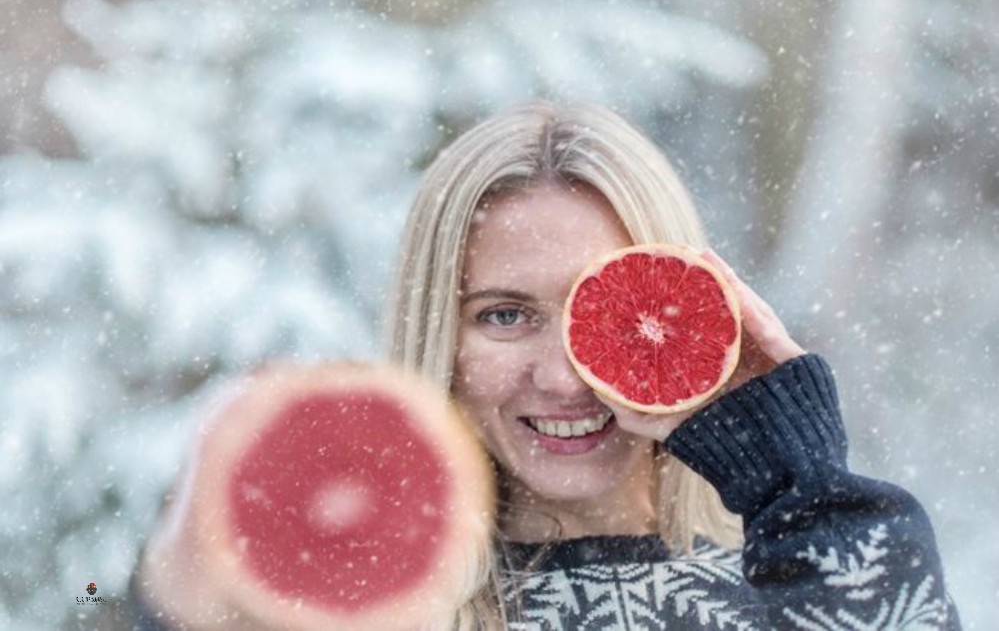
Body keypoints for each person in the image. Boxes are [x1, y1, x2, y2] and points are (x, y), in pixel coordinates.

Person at [127, 101, 961, 630]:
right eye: (504, 315)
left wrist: (795, 476)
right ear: (437, 331)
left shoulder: (786, 573)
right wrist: (168, 602)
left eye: (607, 318)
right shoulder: (372, 606)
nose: (562, 378)